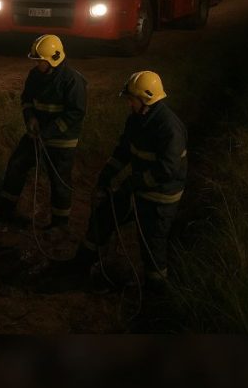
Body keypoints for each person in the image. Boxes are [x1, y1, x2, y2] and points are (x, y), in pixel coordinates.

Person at [59, 70, 187, 292]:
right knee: (104, 216)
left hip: (160, 198)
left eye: (131, 99)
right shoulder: (137, 120)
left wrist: (132, 183)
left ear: (146, 99)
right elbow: (123, 151)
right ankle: (81, 266)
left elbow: (168, 169)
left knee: (151, 244)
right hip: (136, 189)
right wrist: (106, 175)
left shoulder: (169, 128)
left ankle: (155, 294)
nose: (129, 103)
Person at [0, 34, 86, 228]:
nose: (37, 63)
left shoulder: (73, 80)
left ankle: (59, 224)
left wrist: (48, 132)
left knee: (58, 181)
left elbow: (75, 114)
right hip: (36, 134)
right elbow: (26, 100)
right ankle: (5, 207)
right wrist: (30, 118)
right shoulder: (35, 75)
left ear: (53, 59)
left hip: (62, 140)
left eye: (40, 60)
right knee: (17, 163)